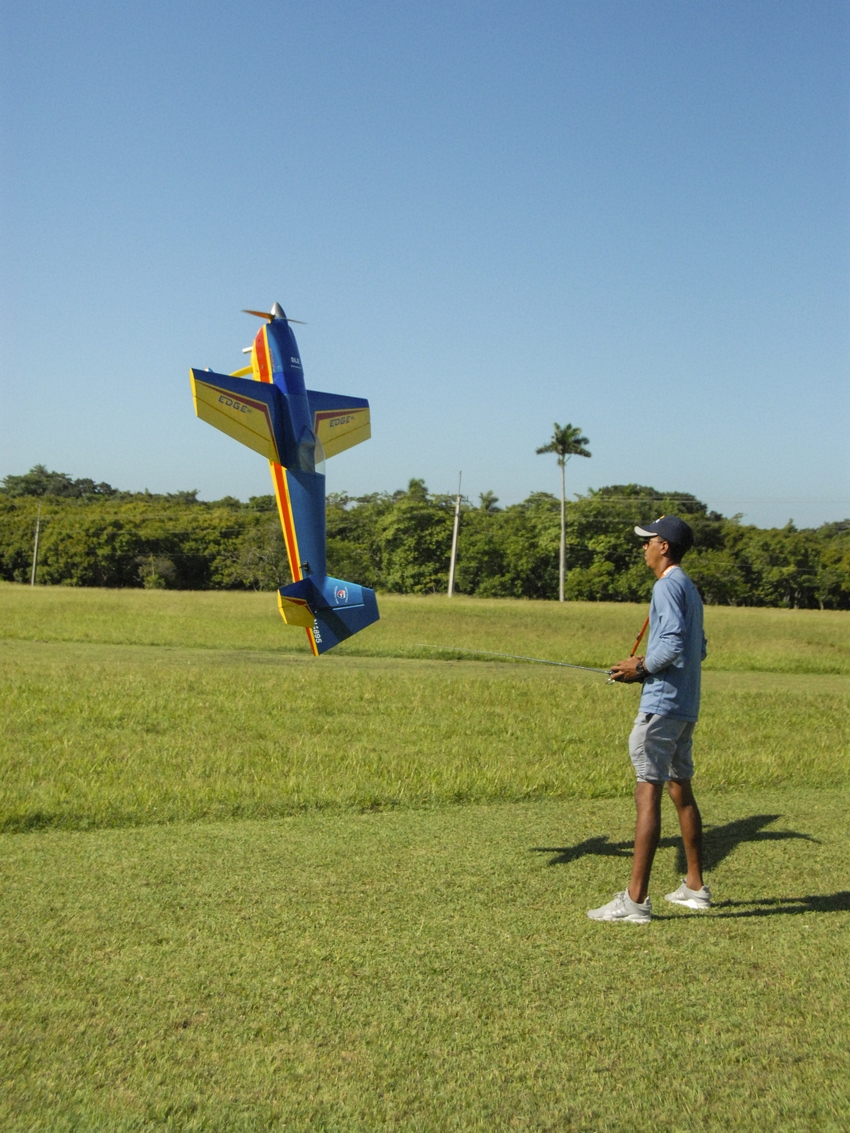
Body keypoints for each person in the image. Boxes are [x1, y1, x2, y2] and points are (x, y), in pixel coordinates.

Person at [588, 515, 709, 924]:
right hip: (685, 706)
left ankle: (635, 901)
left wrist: (640, 668)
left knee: (648, 794)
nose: (643, 547)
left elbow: (673, 644)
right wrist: (644, 664)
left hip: (661, 706)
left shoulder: (666, 586)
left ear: (665, 547)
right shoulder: (689, 588)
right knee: (680, 790)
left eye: (648, 541)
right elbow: (698, 649)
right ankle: (694, 887)